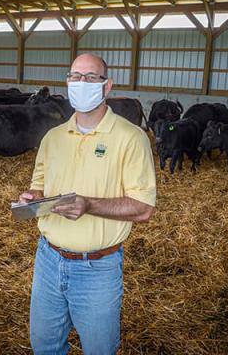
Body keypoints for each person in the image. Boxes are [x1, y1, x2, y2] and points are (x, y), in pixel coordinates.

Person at [19, 53, 157, 354]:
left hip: (97, 266)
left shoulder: (131, 138)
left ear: (106, 86)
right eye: (74, 76)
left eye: (90, 77)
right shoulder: (52, 138)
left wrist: (89, 205)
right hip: (48, 259)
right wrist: (31, 199)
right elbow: (38, 187)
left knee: (99, 349)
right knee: (44, 345)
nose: (81, 83)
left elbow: (144, 208)